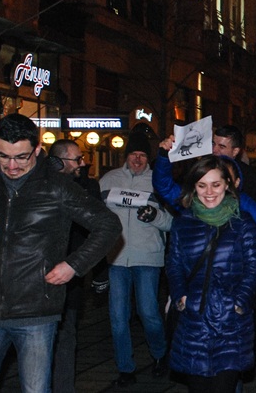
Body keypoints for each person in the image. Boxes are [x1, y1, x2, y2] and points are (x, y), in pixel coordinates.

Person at [0, 114, 121, 392]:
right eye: (3, 156)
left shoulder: (57, 186)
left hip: (36, 310)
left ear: (37, 149)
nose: (11, 165)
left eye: (21, 157)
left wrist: (73, 265)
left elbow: (108, 224)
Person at [166, 155, 256, 392]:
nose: (209, 192)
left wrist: (239, 303)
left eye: (216, 184)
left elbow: (254, 266)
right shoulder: (183, 223)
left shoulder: (242, 222)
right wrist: (181, 297)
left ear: (227, 184)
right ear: (194, 187)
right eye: (202, 185)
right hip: (194, 320)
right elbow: (174, 264)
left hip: (230, 322)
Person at [99, 133, 173, 386]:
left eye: (142, 155)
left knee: (149, 313)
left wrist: (155, 216)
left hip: (148, 257)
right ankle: (125, 368)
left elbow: (173, 223)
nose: (138, 159)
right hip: (116, 258)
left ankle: (160, 354)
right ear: (126, 156)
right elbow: (96, 217)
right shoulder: (108, 180)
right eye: (133, 154)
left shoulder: (159, 182)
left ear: (148, 158)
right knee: (118, 318)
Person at [47, 138, 100, 393]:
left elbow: (101, 229)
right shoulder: (42, 187)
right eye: (77, 159)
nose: (82, 163)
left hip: (71, 273)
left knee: (66, 335)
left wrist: (91, 269)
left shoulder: (85, 187)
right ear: (59, 162)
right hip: (42, 276)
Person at [213, 124, 256, 208]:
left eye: (221, 147)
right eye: (213, 144)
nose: (214, 150)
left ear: (235, 151)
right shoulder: (204, 170)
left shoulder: (253, 177)